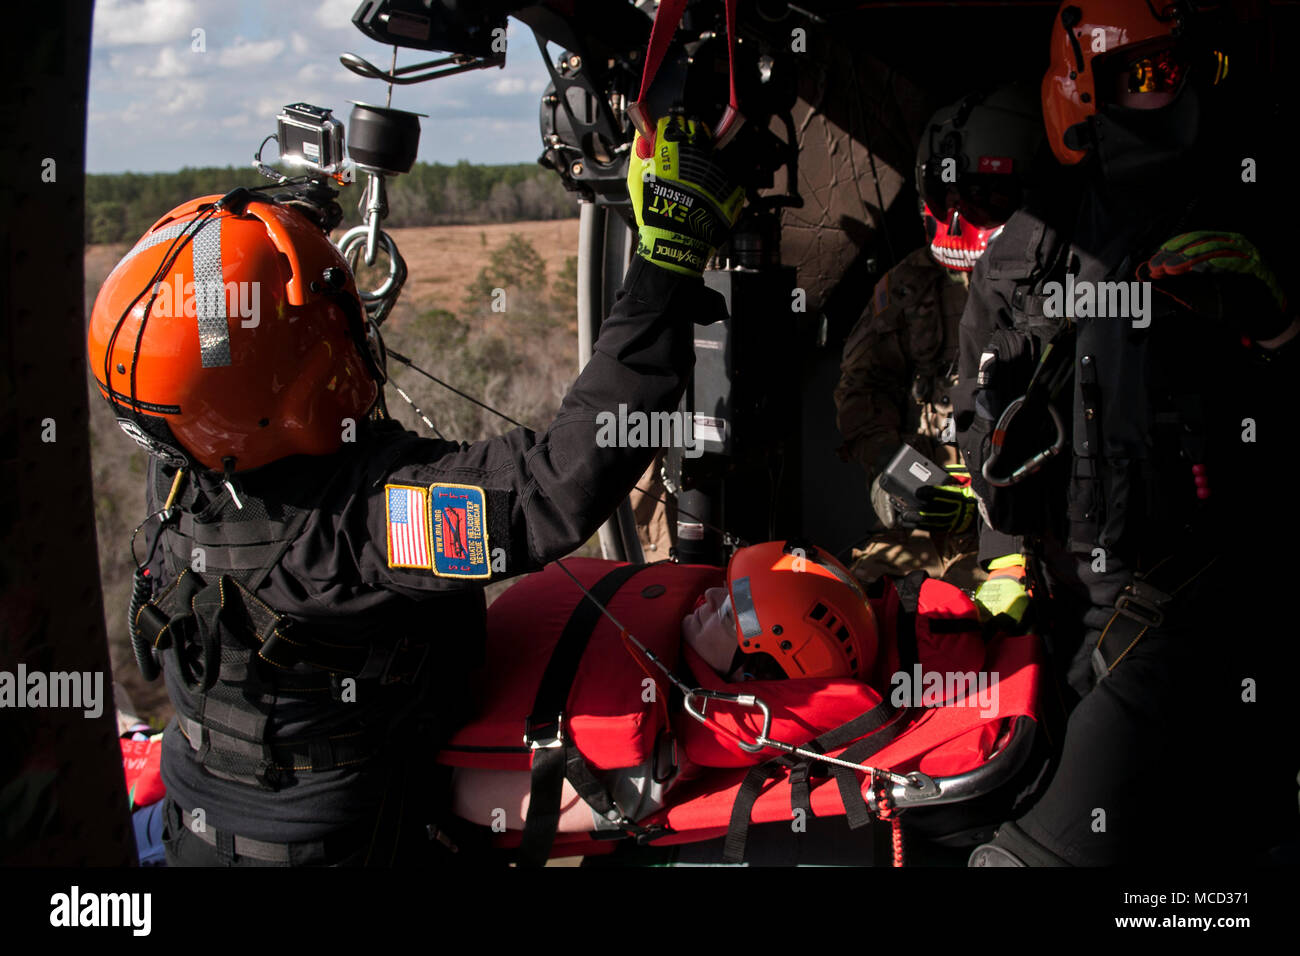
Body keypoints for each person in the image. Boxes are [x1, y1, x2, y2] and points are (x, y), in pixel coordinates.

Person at [85, 112, 743, 867]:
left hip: (196, 829)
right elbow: (553, 486)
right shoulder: (361, 528)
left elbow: (210, 347)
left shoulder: (183, 463)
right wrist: (665, 262)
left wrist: (286, 231)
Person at [955, 0, 1298, 865]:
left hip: (1202, 608)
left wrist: (1280, 328)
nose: (1177, 94)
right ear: (1080, 93)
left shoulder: (1250, 216)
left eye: (1187, 70)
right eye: (1148, 74)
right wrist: (1000, 512)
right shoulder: (1023, 255)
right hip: (1069, 614)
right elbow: (974, 426)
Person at [450, 541, 877, 835]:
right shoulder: (684, 623)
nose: (708, 594)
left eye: (730, 614)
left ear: (750, 678)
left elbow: (463, 795)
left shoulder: (647, 770)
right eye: (727, 585)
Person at [834, 84, 1043, 592]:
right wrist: (899, 478)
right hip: (926, 524)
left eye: (978, 195)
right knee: (858, 603)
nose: (955, 214)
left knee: (985, 633)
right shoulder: (910, 285)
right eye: (943, 193)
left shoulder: (1065, 287)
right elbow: (860, 390)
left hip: (1026, 531)